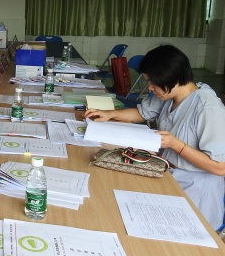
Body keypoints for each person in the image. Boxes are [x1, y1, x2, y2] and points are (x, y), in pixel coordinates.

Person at [84, 44, 225, 230]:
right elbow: (141, 113)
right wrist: (109, 114)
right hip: (166, 173)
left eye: (153, 83)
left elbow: (220, 167)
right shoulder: (169, 95)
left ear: (172, 77)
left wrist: (176, 145)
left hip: (196, 191)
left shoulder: (208, 108)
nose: (150, 88)